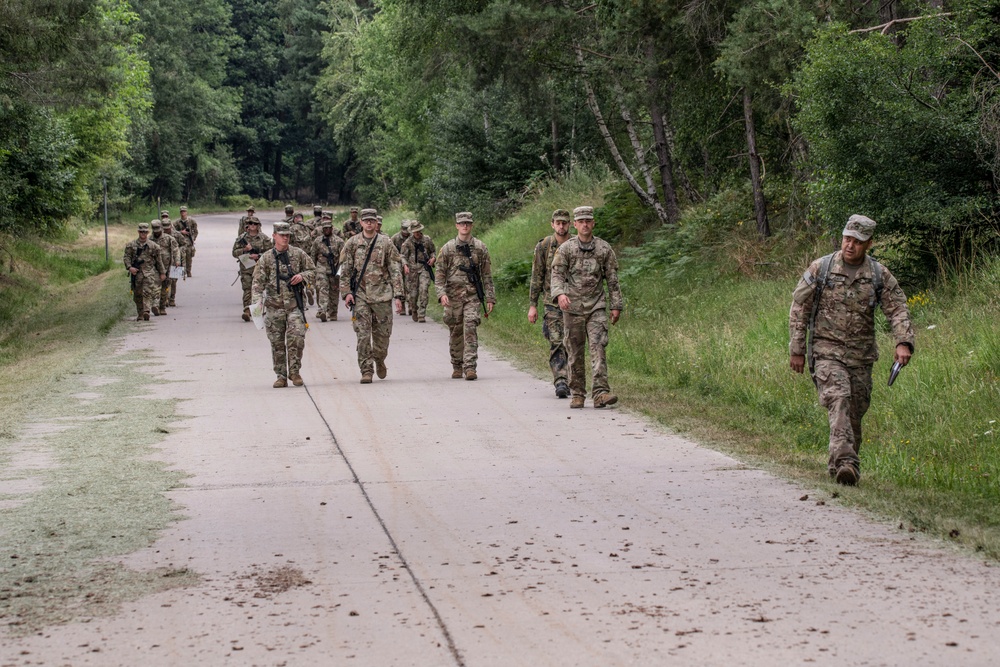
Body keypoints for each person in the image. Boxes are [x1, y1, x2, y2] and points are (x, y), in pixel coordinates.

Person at [789, 214, 915, 486]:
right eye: (847, 238)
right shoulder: (820, 269)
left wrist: (903, 341)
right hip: (826, 352)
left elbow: (898, 309)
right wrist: (797, 348)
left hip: (861, 356)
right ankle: (847, 462)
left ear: (868, 243)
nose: (850, 245)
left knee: (855, 411)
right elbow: (800, 308)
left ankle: (842, 467)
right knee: (840, 399)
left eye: (857, 241)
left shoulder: (878, 274)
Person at [550, 206, 622, 409]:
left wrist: (616, 306)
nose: (584, 224)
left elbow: (613, 280)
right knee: (574, 352)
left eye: (588, 221)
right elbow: (556, 275)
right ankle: (578, 393)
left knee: (598, 347)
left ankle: (600, 392)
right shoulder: (566, 249)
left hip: (596, 306)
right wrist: (560, 294)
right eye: (580, 221)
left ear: (593, 223)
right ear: (575, 224)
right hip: (572, 308)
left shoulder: (603, 249)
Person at [339, 208, 404, 383]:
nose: (369, 223)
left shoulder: (386, 243)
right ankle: (366, 370)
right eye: (365, 220)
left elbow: (395, 269)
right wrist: (346, 293)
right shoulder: (352, 243)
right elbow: (344, 271)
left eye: (372, 220)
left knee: (383, 337)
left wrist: (399, 295)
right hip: (360, 296)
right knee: (363, 335)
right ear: (360, 223)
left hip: (382, 296)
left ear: (376, 223)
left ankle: (379, 359)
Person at [251, 222, 315, 388]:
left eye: (287, 235)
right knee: (277, 343)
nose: (285, 238)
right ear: (274, 236)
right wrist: (257, 301)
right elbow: (257, 283)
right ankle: (281, 375)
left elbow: (313, 271)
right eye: (282, 235)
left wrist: (302, 276)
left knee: (296, 338)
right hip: (274, 307)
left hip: (294, 305)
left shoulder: (298, 254)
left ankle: (295, 372)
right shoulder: (266, 258)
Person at [434, 211, 496, 380]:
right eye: (462, 223)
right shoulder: (447, 249)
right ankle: (457, 364)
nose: (465, 226)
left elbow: (487, 275)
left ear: (472, 225)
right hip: (453, 297)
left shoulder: (480, 248)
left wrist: (490, 297)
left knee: (470, 327)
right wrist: (441, 294)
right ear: (456, 226)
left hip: (472, 296)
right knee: (455, 331)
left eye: (468, 223)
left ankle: (470, 367)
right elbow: (439, 275)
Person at [528, 209, 573, 398]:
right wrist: (533, 304)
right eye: (558, 223)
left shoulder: (575, 244)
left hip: (574, 302)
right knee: (556, 342)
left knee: (572, 343)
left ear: (569, 224)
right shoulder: (545, 246)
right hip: (551, 302)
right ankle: (560, 381)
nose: (561, 226)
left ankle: (573, 380)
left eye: (564, 223)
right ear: (552, 224)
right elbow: (537, 275)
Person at [123, 222, 166, 321]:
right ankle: (140, 313)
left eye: (145, 232)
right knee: (138, 295)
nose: (143, 233)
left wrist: (162, 273)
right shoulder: (131, 245)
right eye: (141, 231)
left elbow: (159, 261)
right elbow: (127, 257)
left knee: (147, 292)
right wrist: (130, 267)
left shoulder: (154, 246)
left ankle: (146, 311)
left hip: (149, 273)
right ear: (138, 232)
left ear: (148, 232)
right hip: (136, 274)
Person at [233, 219, 273, 321]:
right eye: (250, 223)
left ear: (258, 225)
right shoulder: (241, 238)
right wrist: (244, 250)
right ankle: (247, 310)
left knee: (257, 289)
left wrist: (258, 255)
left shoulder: (264, 238)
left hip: (260, 267)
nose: (252, 225)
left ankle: (256, 311)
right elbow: (234, 253)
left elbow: (271, 253)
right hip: (246, 267)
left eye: (255, 224)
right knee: (247, 289)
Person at [309, 214, 344, 322]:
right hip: (321, 268)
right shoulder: (317, 241)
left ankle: (333, 313)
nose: (327, 230)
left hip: (334, 269)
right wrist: (312, 270)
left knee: (334, 292)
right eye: (325, 228)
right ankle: (322, 310)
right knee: (322, 288)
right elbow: (313, 256)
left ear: (332, 229)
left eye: (328, 228)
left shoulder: (339, 241)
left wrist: (341, 270)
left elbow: (344, 257)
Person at [401, 221, 435, 322]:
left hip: (424, 268)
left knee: (424, 290)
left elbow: (433, 251)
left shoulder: (427, 240)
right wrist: (405, 265)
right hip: (412, 270)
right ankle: (414, 309)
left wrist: (433, 258)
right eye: (415, 231)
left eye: (418, 231)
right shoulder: (407, 242)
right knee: (413, 294)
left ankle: (422, 313)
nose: (417, 233)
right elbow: (402, 256)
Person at [150, 220, 181, 315]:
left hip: (167, 266)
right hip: (154, 267)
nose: (156, 232)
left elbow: (176, 250)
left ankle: (162, 307)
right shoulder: (150, 240)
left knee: (165, 287)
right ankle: (155, 305)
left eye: (158, 230)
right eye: (155, 230)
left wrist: (177, 260)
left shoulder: (169, 239)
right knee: (155, 285)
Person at [160, 211, 184, 305]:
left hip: (175, 261)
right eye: (164, 228)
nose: (166, 230)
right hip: (163, 262)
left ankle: (172, 298)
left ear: (170, 226)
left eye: (167, 228)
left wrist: (179, 251)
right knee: (165, 281)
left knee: (174, 281)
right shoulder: (159, 236)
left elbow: (184, 244)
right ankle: (164, 298)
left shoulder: (177, 234)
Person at [392, 221, 411, 315]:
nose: (406, 233)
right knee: (401, 282)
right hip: (398, 261)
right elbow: (391, 251)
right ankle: (402, 304)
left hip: (411, 262)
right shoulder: (395, 238)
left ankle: (411, 305)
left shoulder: (412, 237)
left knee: (411, 283)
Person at [173, 206, 198, 277]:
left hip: (189, 243)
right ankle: (181, 273)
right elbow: (173, 231)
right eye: (181, 212)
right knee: (180, 258)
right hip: (181, 243)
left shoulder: (191, 221)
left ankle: (188, 271)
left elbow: (196, 231)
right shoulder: (177, 222)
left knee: (189, 258)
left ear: (186, 212)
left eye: (184, 211)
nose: (183, 213)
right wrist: (181, 232)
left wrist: (193, 238)